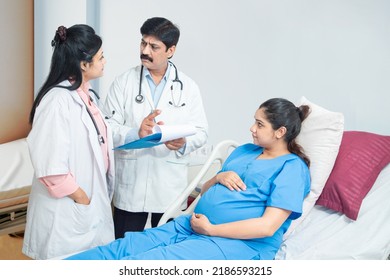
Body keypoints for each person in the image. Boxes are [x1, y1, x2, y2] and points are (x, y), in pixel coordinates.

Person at [65, 97, 311, 260]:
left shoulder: (292, 168)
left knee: (145, 264)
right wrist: (219, 177)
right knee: (122, 248)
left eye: (259, 124)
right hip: (192, 226)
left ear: (280, 132)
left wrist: (212, 229)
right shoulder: (244, 150)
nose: (251, 129)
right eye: (253, 121)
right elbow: (205, 189)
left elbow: (266, 227)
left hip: (238, 245)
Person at [103, 17, 208, 238]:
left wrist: (183, 143)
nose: (145, 50)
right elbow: (106, 127)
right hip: (132, 184)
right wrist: (135, 133)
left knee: (165, 248)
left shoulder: (188, 87)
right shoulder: (124, 82)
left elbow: (201, 131)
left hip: (168, 184)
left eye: (153, 46)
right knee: (124, 248)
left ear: (171, 50)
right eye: (143, 43)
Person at [22, 24, 115, 260]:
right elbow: (50, 168)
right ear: (84, 64)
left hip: (87, 209)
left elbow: (101, 137)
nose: (105, 61)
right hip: (68, 212)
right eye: (101, 57)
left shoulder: (86, 94)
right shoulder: (57, 102)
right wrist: (82, 197)